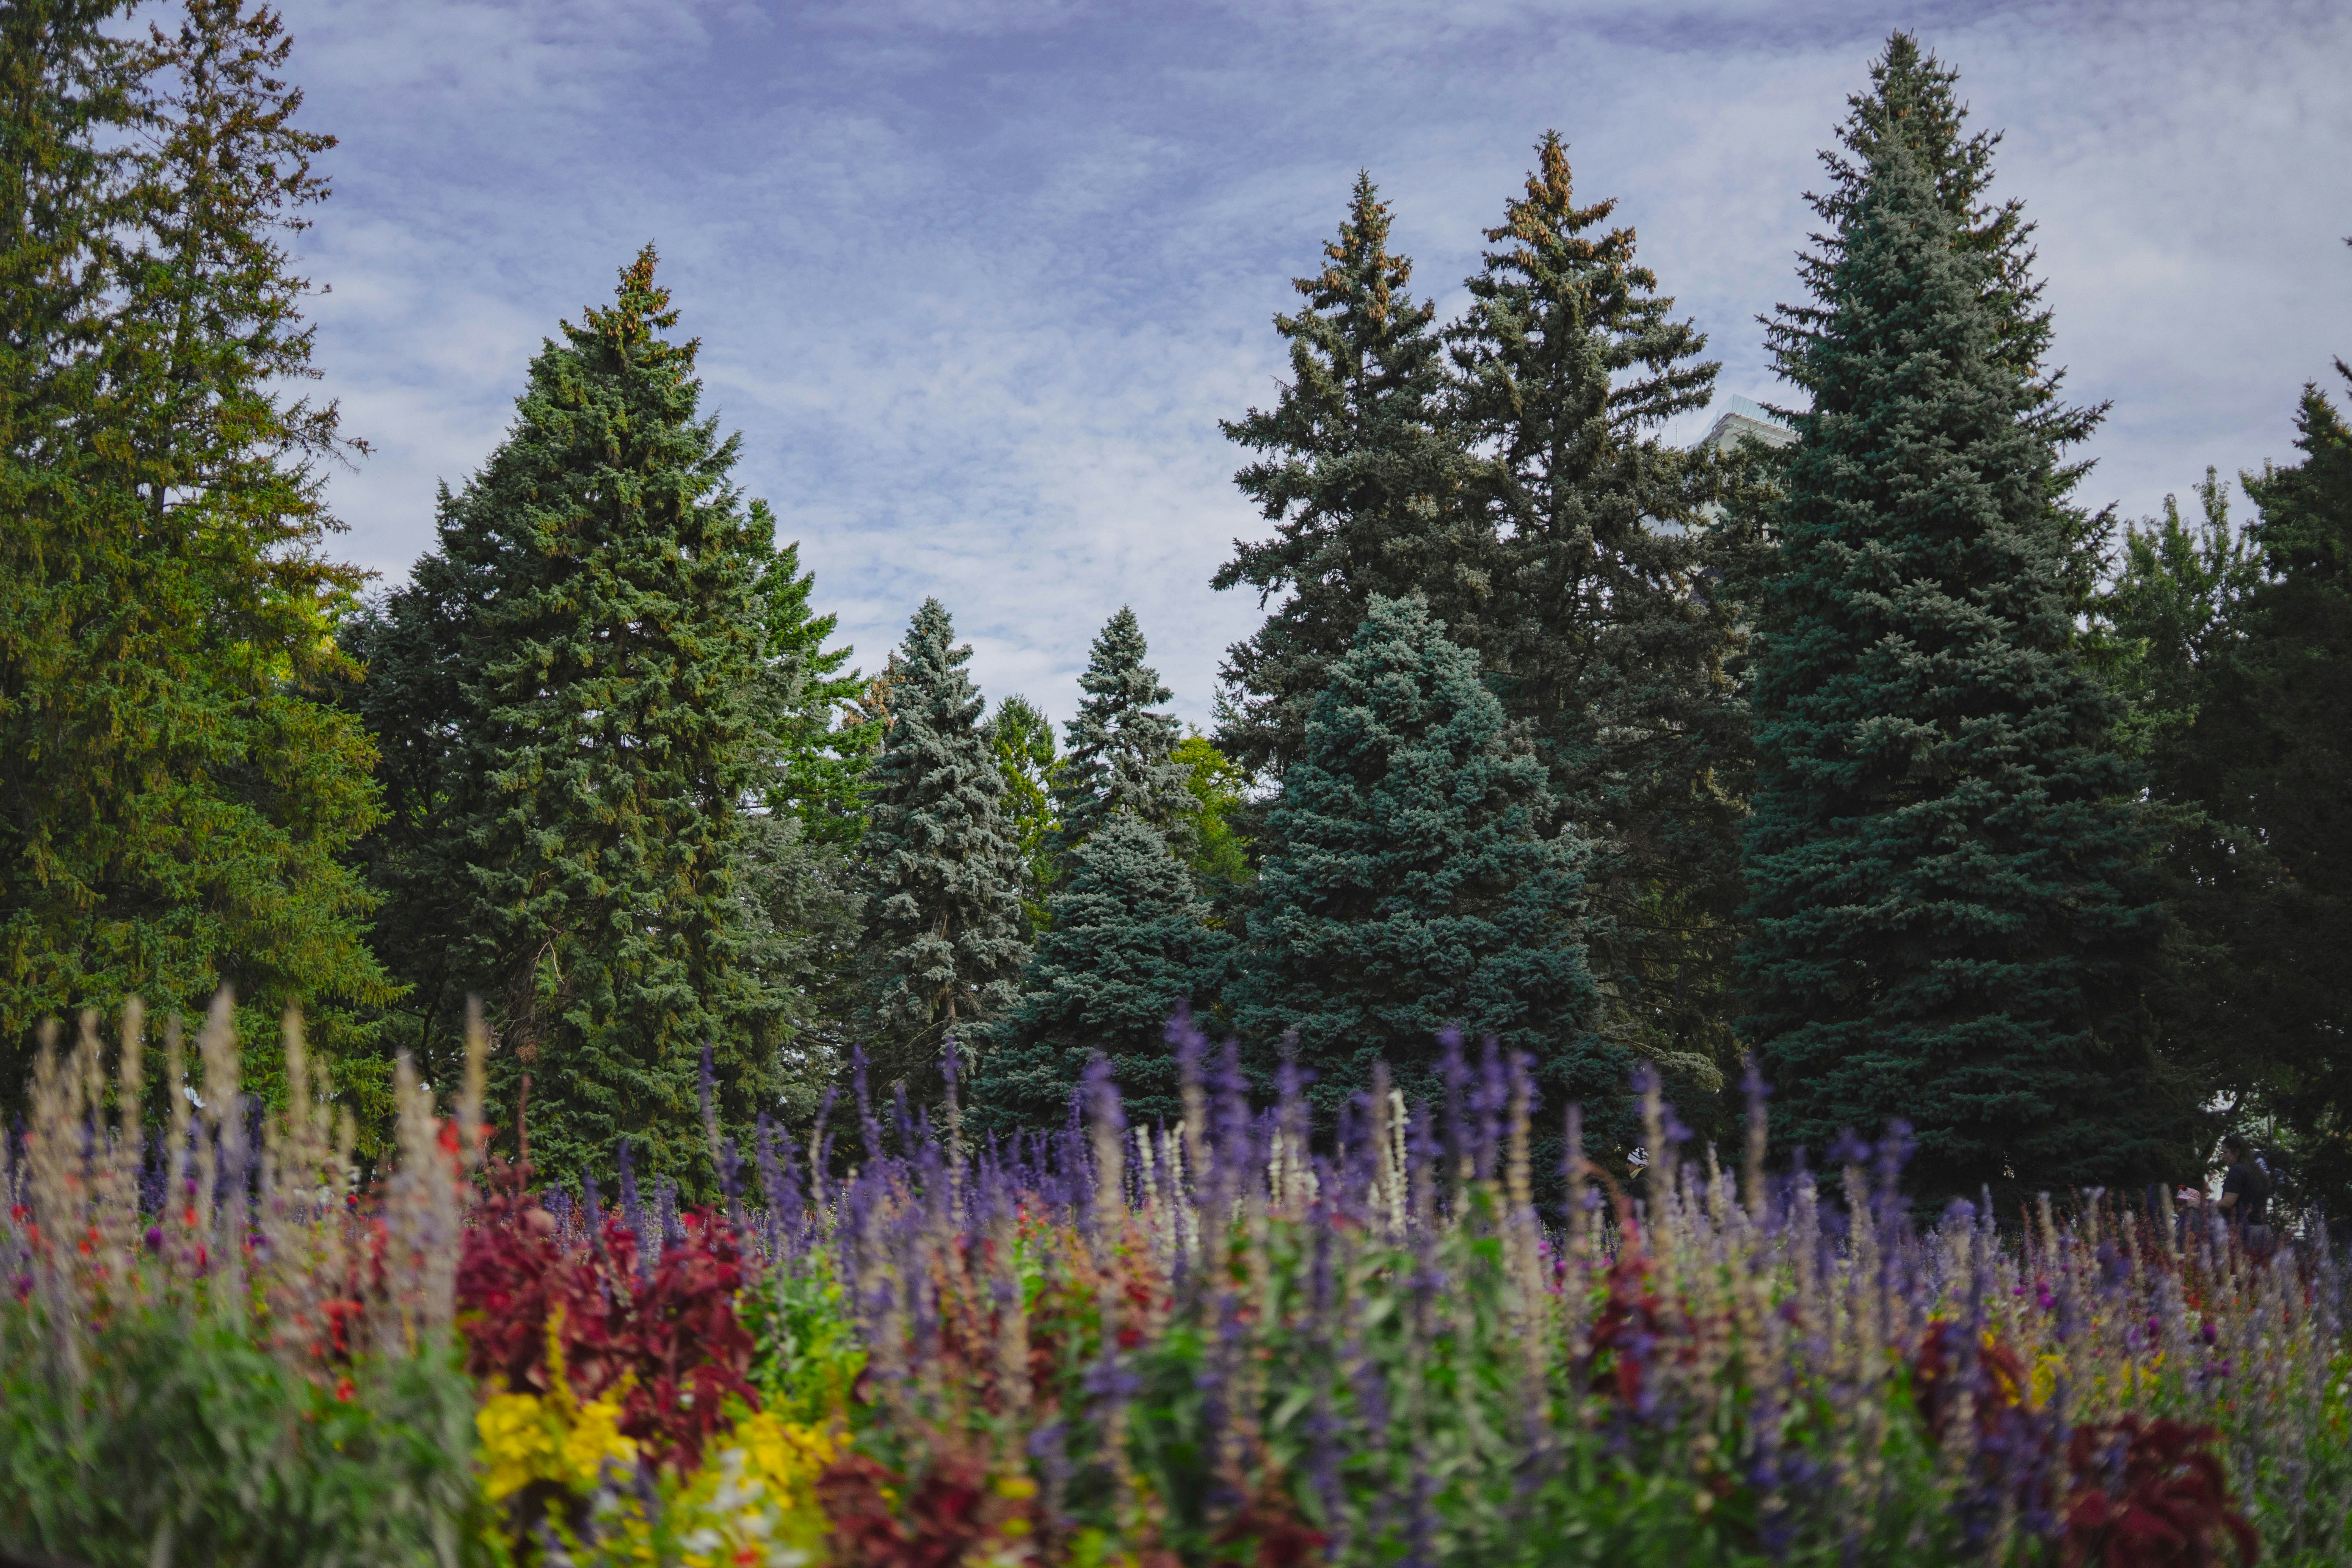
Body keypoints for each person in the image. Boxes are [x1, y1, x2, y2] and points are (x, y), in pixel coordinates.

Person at [2214, 1134, 2274, 1259]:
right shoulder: (2260, 1174)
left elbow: (2228, 1203)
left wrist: (2206, 1205)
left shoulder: (2237, 1171)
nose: (2223, 1156)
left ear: (2237, 1152)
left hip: (2243, 1233)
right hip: (2263, 1231)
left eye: (2225, 1152)